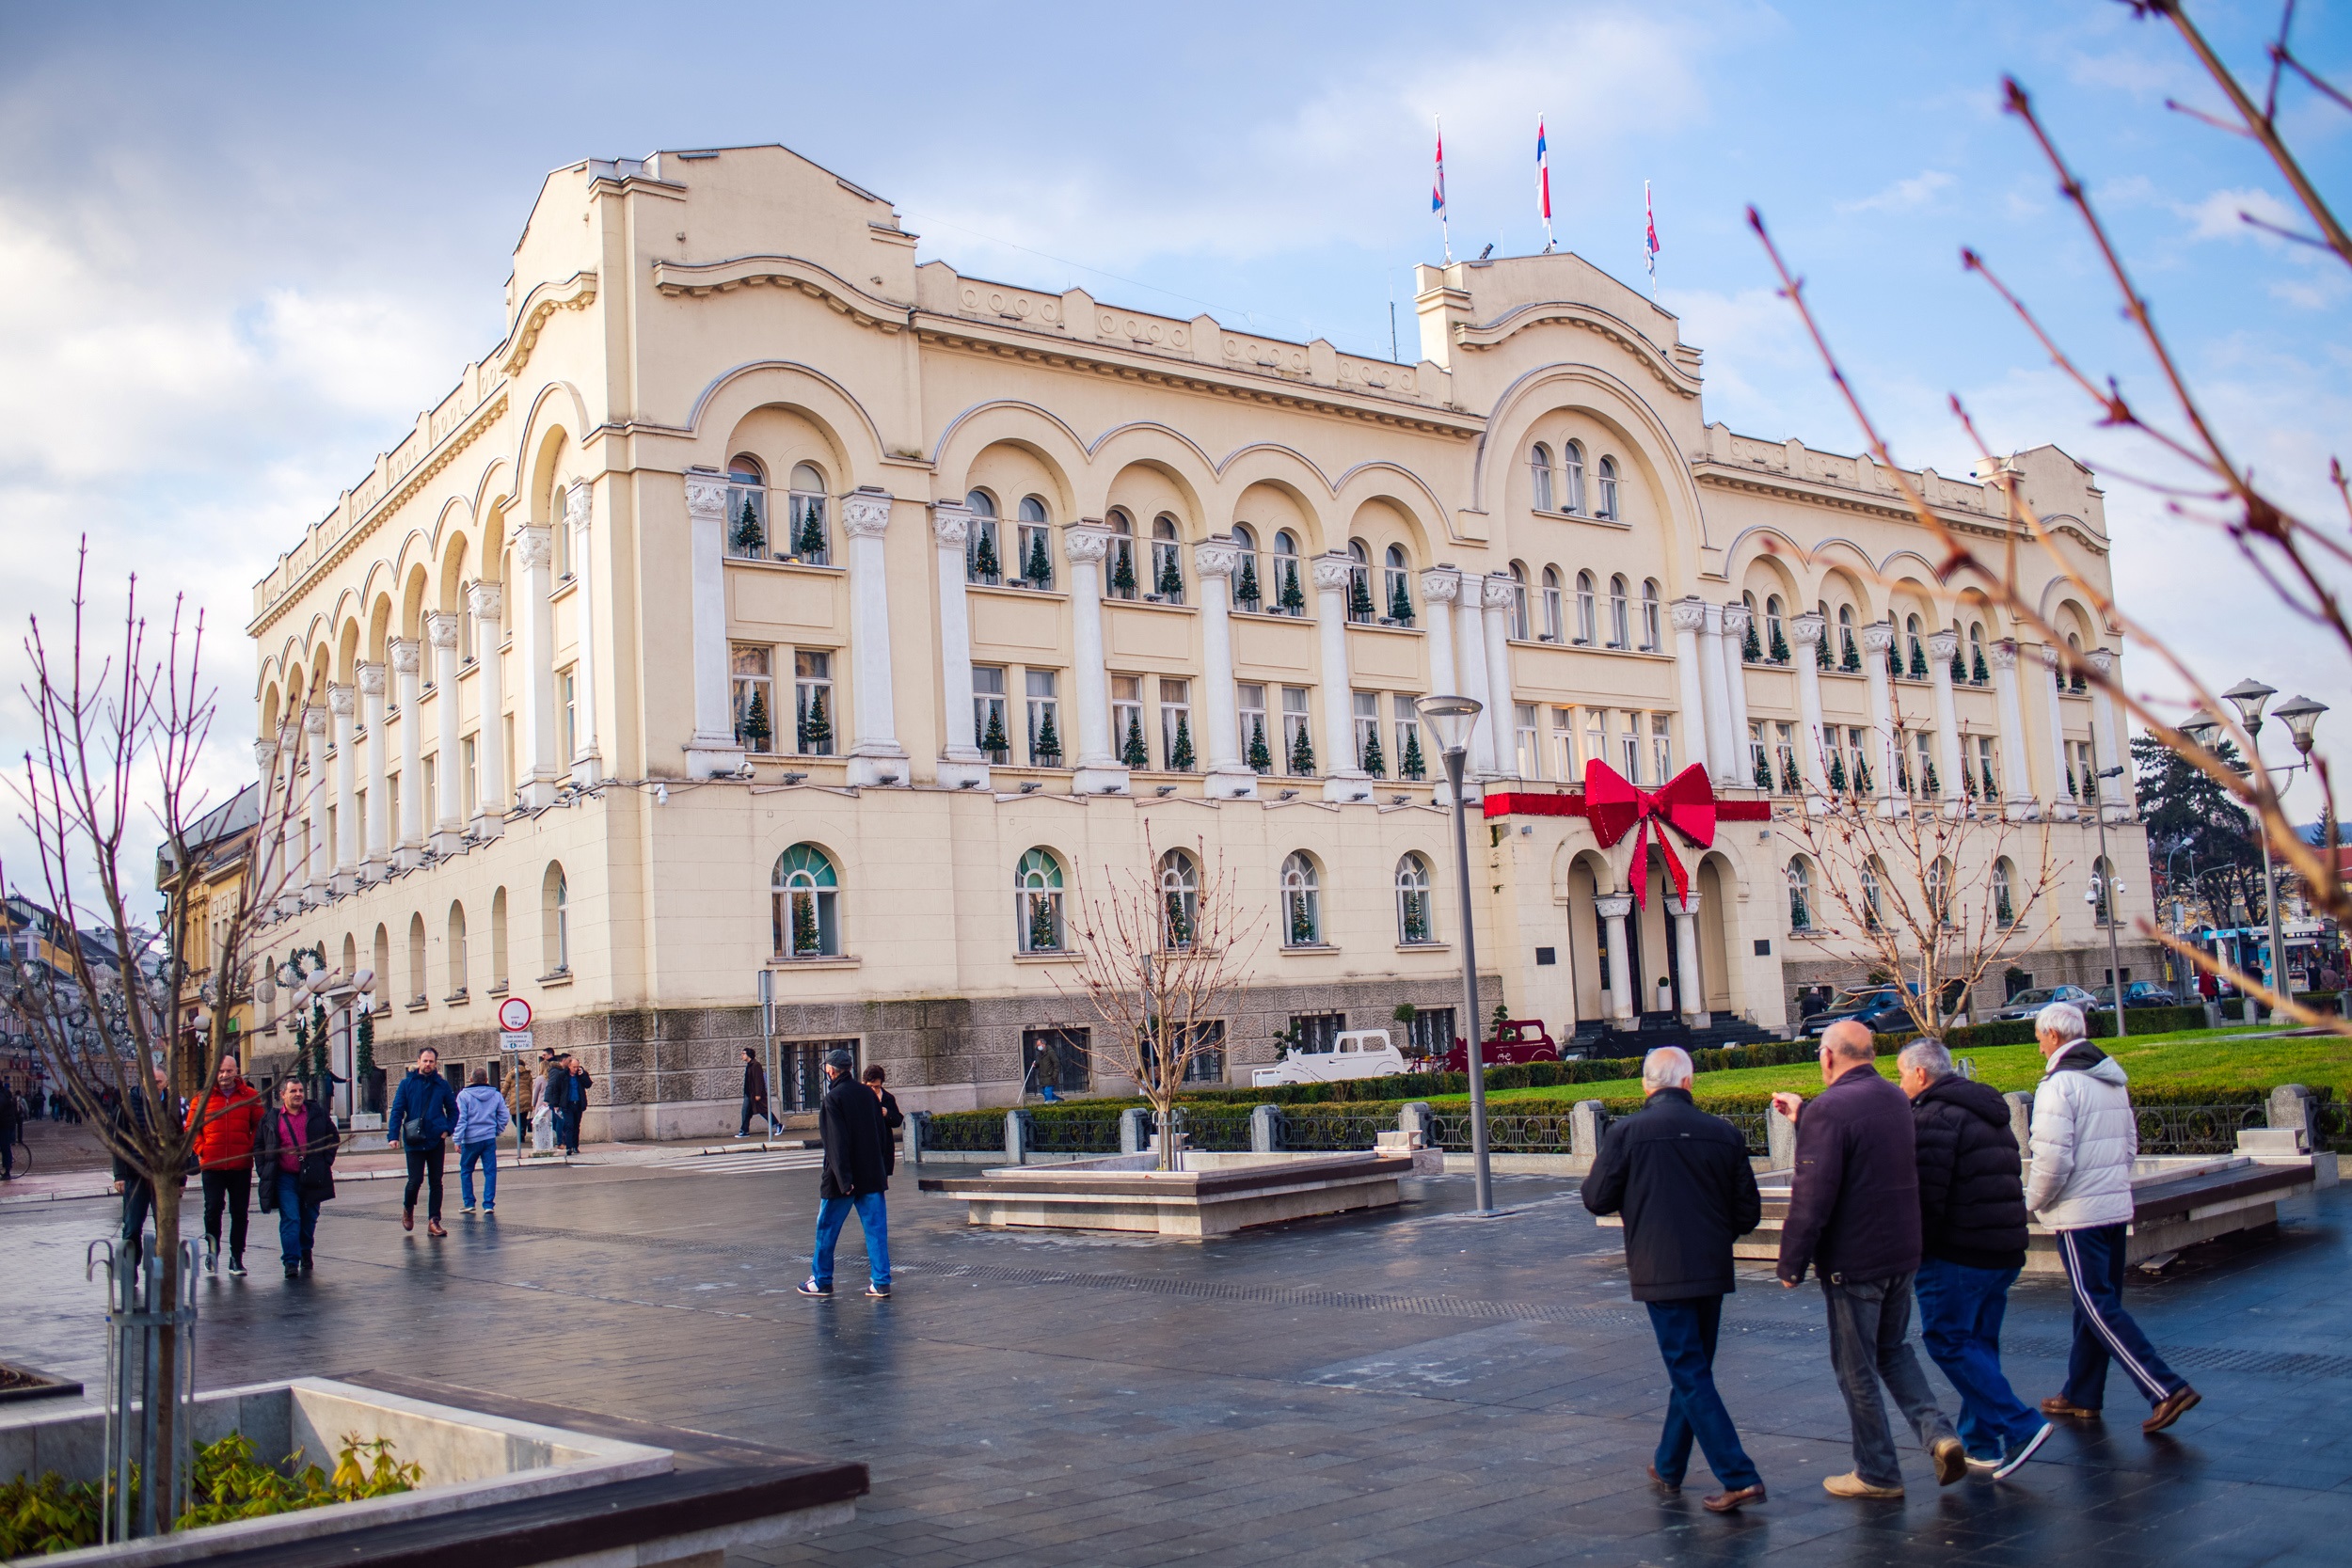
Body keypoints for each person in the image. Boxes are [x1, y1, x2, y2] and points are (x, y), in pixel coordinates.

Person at [1772, 1020, 1965, 1498]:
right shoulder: (1893, 1098)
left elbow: (1812, 1194)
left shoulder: (1831, 1110)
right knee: (1894, 1350)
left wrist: (1791, 1262)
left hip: (1853, 1259)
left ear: (1829, 1056)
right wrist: (1806, 1116)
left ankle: (1877, 1472)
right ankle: (1939, 1435)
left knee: (1855, 1367)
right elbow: (1862, 1151)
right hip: (1901, 1252)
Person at [1582, 1046, 1768, 1513]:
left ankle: (1739, 1475)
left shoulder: (1626, 1133)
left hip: (1658, 1268)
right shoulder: (1723, 1133)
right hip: (1710, 1269)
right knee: (1692, 1370)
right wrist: (1713, 1233)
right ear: (1689, 1083)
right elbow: (1748, 1212)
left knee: (1689, 1371)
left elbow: (1596, 1198)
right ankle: (1668, 1464)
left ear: (1646, 1086)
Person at [2026, 1002, 2201, 1433]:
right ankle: (2082, 1393)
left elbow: (2051, 1158)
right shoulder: (2109, 1078)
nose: (2038, 1044)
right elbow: (2129, 1146)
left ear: (2052, 1036)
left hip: (2078, 1211)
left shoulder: (2057, 1084)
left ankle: (2165, 1388)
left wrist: (2032, 1202)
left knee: (2094, 1303)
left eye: (2039, 1037)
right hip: (2110, 1206)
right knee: (2096, 1302)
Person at [1899, 1038, 2051, 1479]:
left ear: (1922, 1075)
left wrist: (1912, 1251)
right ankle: (1982, 1443)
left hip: (1956, 1253)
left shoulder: (1932, 1117)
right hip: (2001, 1249)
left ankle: (2021, 1426)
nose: (1901, 1082)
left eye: (1903, 1073)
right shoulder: (1986, 1109)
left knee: (1947, 1340)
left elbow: (1927, 1198)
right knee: (1979, 1344)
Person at [800, 1050, 890, 1299]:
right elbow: (881, 1135)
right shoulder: (868, 1095)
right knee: (876, 1230)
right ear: (849, 1068)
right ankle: (881, 1282)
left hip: (844, 1181)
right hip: (871, 1175)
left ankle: (821, 1280)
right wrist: (880, 1170)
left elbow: (836, 1144)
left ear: (830, 1070)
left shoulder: (833, 1099)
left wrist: (844, 1180)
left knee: (826, 1229)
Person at [254, 1075, 338, 1278]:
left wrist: (325, 1162)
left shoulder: (316, 1113)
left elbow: (333, 1137)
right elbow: (259, 1145)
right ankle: (291, 1261)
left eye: (300, 1091)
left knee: (309, 1218)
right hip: (285, 1178)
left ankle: (305, 1249)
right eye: (293, 1091)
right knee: (291, 1217)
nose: (298, 1094)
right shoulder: (271, 1119)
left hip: (312, 1176)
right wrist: (264, 1169)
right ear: (282, 1095)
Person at [191, 1052, 263, 1276]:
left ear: (236, 1071)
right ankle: (212, 1253)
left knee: (239, 1212)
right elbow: (191, 1129)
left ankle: (236, 1258)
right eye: (221, 1071)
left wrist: (248, 1148)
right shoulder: (201, 1099)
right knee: (212, 1210)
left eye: (229, 1071)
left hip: (240, 1165)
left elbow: (260, 1126)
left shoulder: (250, 1096)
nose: (224, 1075)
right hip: (212, 1165)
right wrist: (202, 1149)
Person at [386, 1046, 457, 1237]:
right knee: (415, 1180)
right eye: (425, 1061)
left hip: (435, 1140)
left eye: (431, 1061)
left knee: (436, 1182)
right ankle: (408, 1208)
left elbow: (454, 1111)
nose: (428, 1064)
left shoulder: (441, 1085)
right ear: (418, 1062)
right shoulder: (406, 1084)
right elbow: (397, 1111)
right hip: (414, 1139)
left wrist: (447, 1129)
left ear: (436, 1063)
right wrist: (393, 1136)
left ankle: (434, 1221)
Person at [453, 1067, 511, 1215]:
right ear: (486, 1080)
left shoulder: (463, 1096)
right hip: (488, 1138)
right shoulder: (495, 1094)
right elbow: (504, 1116)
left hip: (470, 1139)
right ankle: (488, 1204)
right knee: (490, 1172)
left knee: (466, 1170)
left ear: (471, 1079)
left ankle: (469, 1203)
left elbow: (461, 1119)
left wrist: (457, 1139)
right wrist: (496, 1130)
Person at [863, 1065, 903, 1174]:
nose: (873, 1090)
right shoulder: (860, 1098)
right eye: (870, 1086)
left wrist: (887, 1113)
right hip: (866, 1148)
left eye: (877, 1087)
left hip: (884, 1147)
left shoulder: (888, 1098)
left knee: (882, 1181)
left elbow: (898, 1120)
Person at [739, 1047, 773, 1140]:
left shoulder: (756, 1065)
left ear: (749, 1054)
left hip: (753, 1094)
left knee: (762, 1111)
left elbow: (758, 1080)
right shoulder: (750, 1065)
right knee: (746, 1112)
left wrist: (758, 1094)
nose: (742, 1055)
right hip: (749, 1093)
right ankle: (744, 1131)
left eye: (743, 1053)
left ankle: (777, 1124)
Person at [0, 1076, 19, 1180]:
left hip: (4, 1125)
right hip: (6, 1123)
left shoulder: (2, 1095)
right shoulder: (5, 1093)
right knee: (4, 1147)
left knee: (5, 1147)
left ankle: (7, 1172)